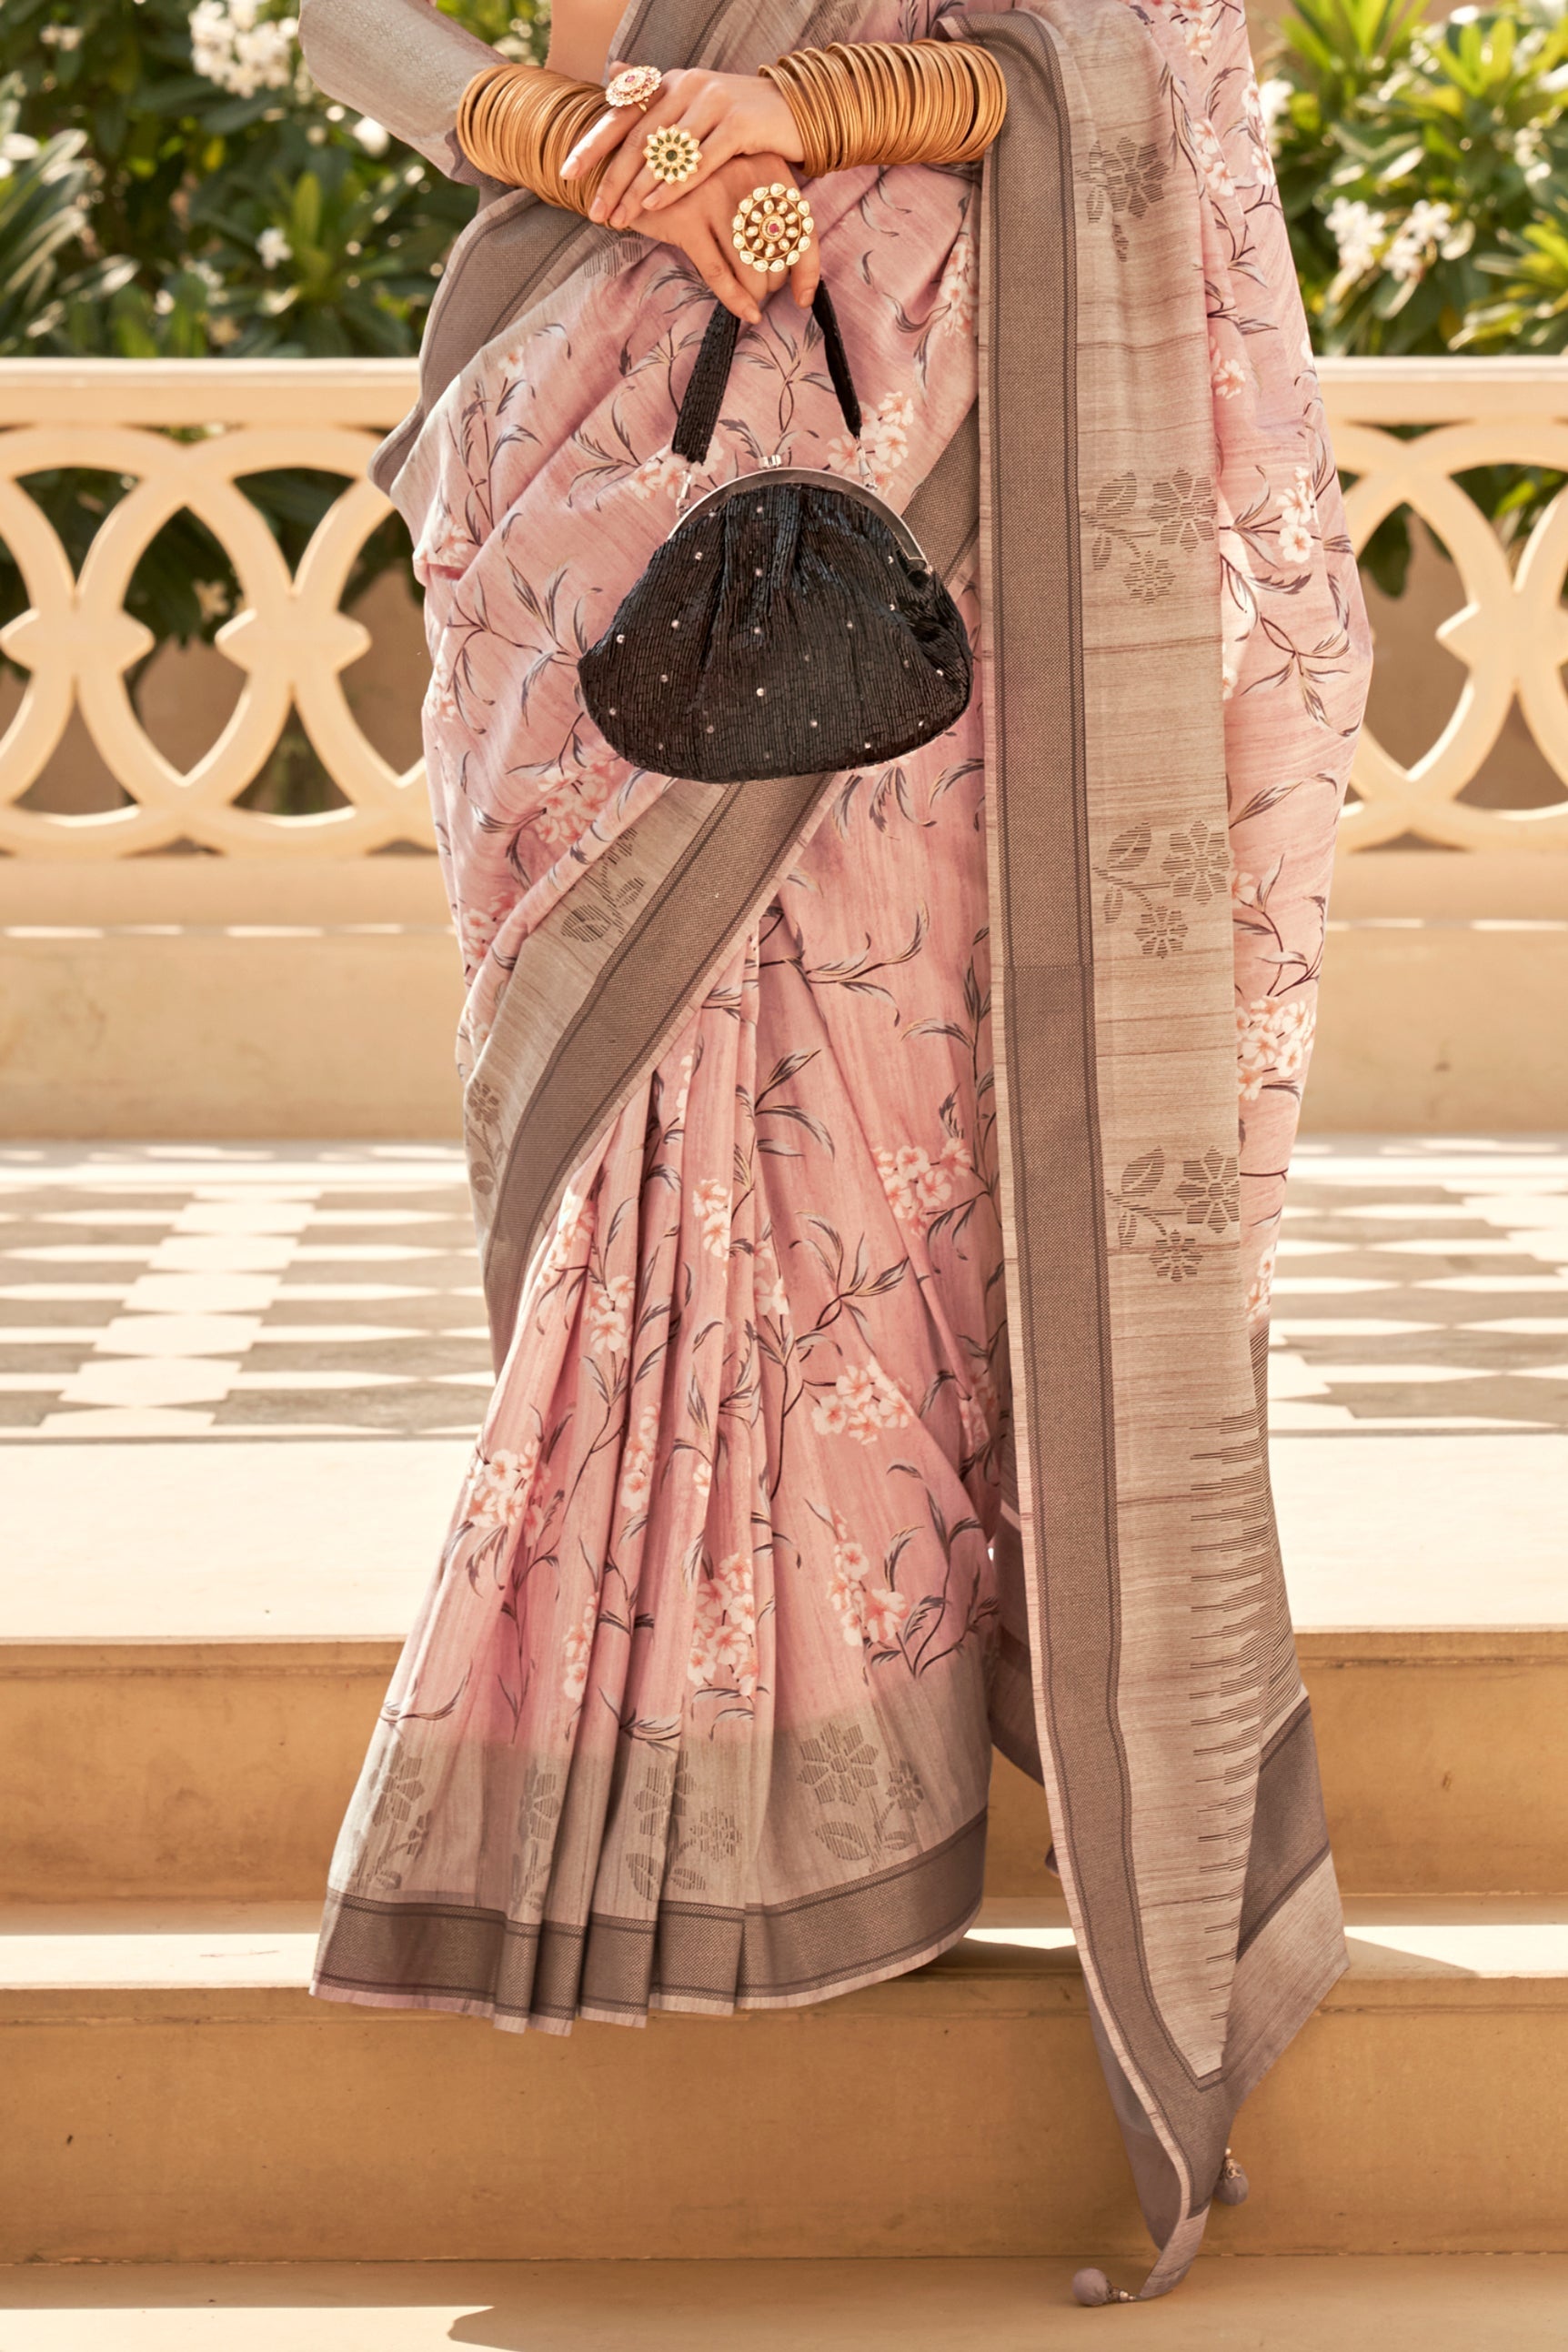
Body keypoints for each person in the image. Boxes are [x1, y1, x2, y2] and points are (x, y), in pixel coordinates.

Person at [298, 0, 1372, 2303]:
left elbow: (1134, 57)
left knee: (892, 1153)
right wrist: (589, 145)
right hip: (606, 415)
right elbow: (338, 22)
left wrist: (804, 108)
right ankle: (634, 1817)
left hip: (954, 428)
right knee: (648, 1140)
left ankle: (847, 1789)